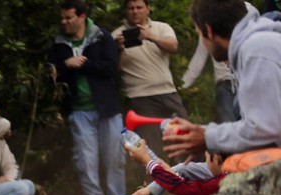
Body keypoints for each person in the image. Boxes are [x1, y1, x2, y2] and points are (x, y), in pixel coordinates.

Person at [163, 0, 281, 161]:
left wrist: (206, 137)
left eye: (199, 33)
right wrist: (202, 134)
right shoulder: (258, 44)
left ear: (209, 31)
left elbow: (264, 129)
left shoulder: (256, 50)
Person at [49, 0, 129, 195]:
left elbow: (110, 69)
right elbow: (52, 75)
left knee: (115, 160)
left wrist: (83, 64)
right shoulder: (58, 44)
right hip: (79, 111)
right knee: (86, 162)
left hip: (108, 109)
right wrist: (67, 65)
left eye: (69, 18)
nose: (64, 22)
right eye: (62, 18)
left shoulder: (102, 37)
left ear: (82, 16)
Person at [111, 0, 188, 153]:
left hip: (168, 93)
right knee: (151, 147)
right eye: (131, 8)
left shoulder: (161, 27)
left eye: (139, 7)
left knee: (184, 139)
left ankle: (188, 176)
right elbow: (114, 71)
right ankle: (155, 176)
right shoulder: (116, 35)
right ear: (126, 11)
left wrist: (152, 37)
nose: (135, 11)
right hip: (140, 97)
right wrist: (118, 49)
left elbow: (173, 46)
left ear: (148, 9)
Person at [123, 137, 225, 195]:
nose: (206, 163)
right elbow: (184, 182)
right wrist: (167, 171)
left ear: (216, 159)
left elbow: (188, 190)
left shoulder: (224, 180)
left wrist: (147, 161)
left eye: (206, 158)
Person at [182, 37, 237, 123]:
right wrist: (182, 86)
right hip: (225, 84)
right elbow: (198, 60)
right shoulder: (207, 31)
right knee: (227, 123)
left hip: (246, 82)